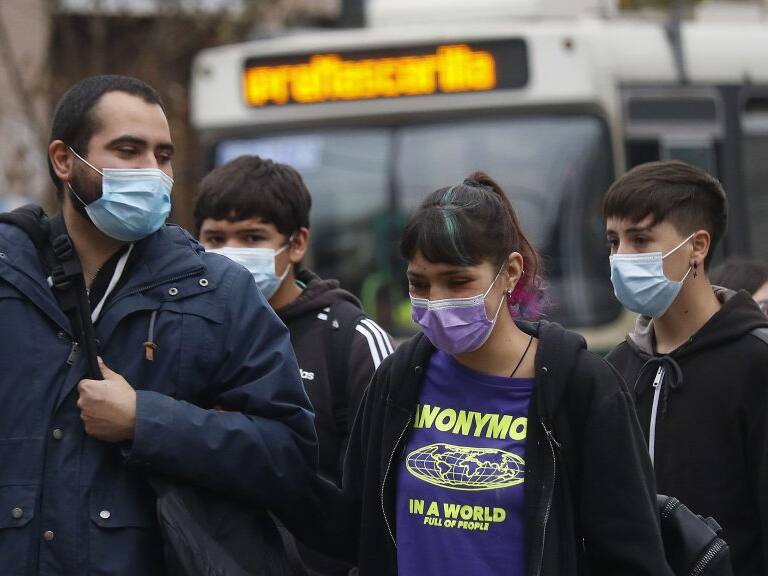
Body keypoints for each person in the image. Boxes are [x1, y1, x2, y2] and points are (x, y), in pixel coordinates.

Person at [278, 171, 673, 576]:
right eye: (419, 284)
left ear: (510, 272)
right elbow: (359, 529)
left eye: (458, 282)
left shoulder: (581, 388)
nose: (436, 301)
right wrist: (271, 462)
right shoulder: (398, 380)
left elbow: (630, 553)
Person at [0, 75, 317, 575]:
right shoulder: (10, 276)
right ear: (64, 160)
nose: (152, 171)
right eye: (128, 151)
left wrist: (145, 421)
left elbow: (288, 454)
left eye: (163, 156)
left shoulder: (218, 292)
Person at [194, 155, 394, 575]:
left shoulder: (352, 343)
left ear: (298, 243)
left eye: (252, 238)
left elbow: (385, 498)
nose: (230, 254)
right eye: (215, 238)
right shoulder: (182, 334)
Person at [603, 160, 768, 576]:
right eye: (614, 242)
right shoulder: (615, 370)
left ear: (697, 246)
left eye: (640, 240)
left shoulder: (755, 362)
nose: (621, 258)